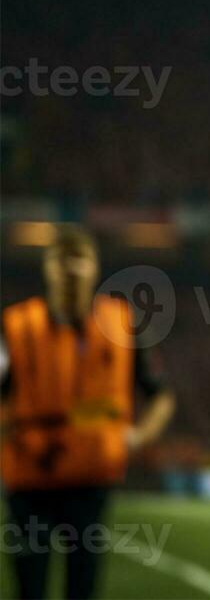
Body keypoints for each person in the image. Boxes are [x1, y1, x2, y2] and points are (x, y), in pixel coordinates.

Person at [1, 226, 176, 600]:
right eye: (63, 259)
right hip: (30, 477)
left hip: (91, 479)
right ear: (48, 268)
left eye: (80, 258)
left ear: (95, 267)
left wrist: (138, 437)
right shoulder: (16, 327)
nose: (72, 268)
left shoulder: (122, 325)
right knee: (28, 586)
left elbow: (161, 396)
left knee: (83, 587)